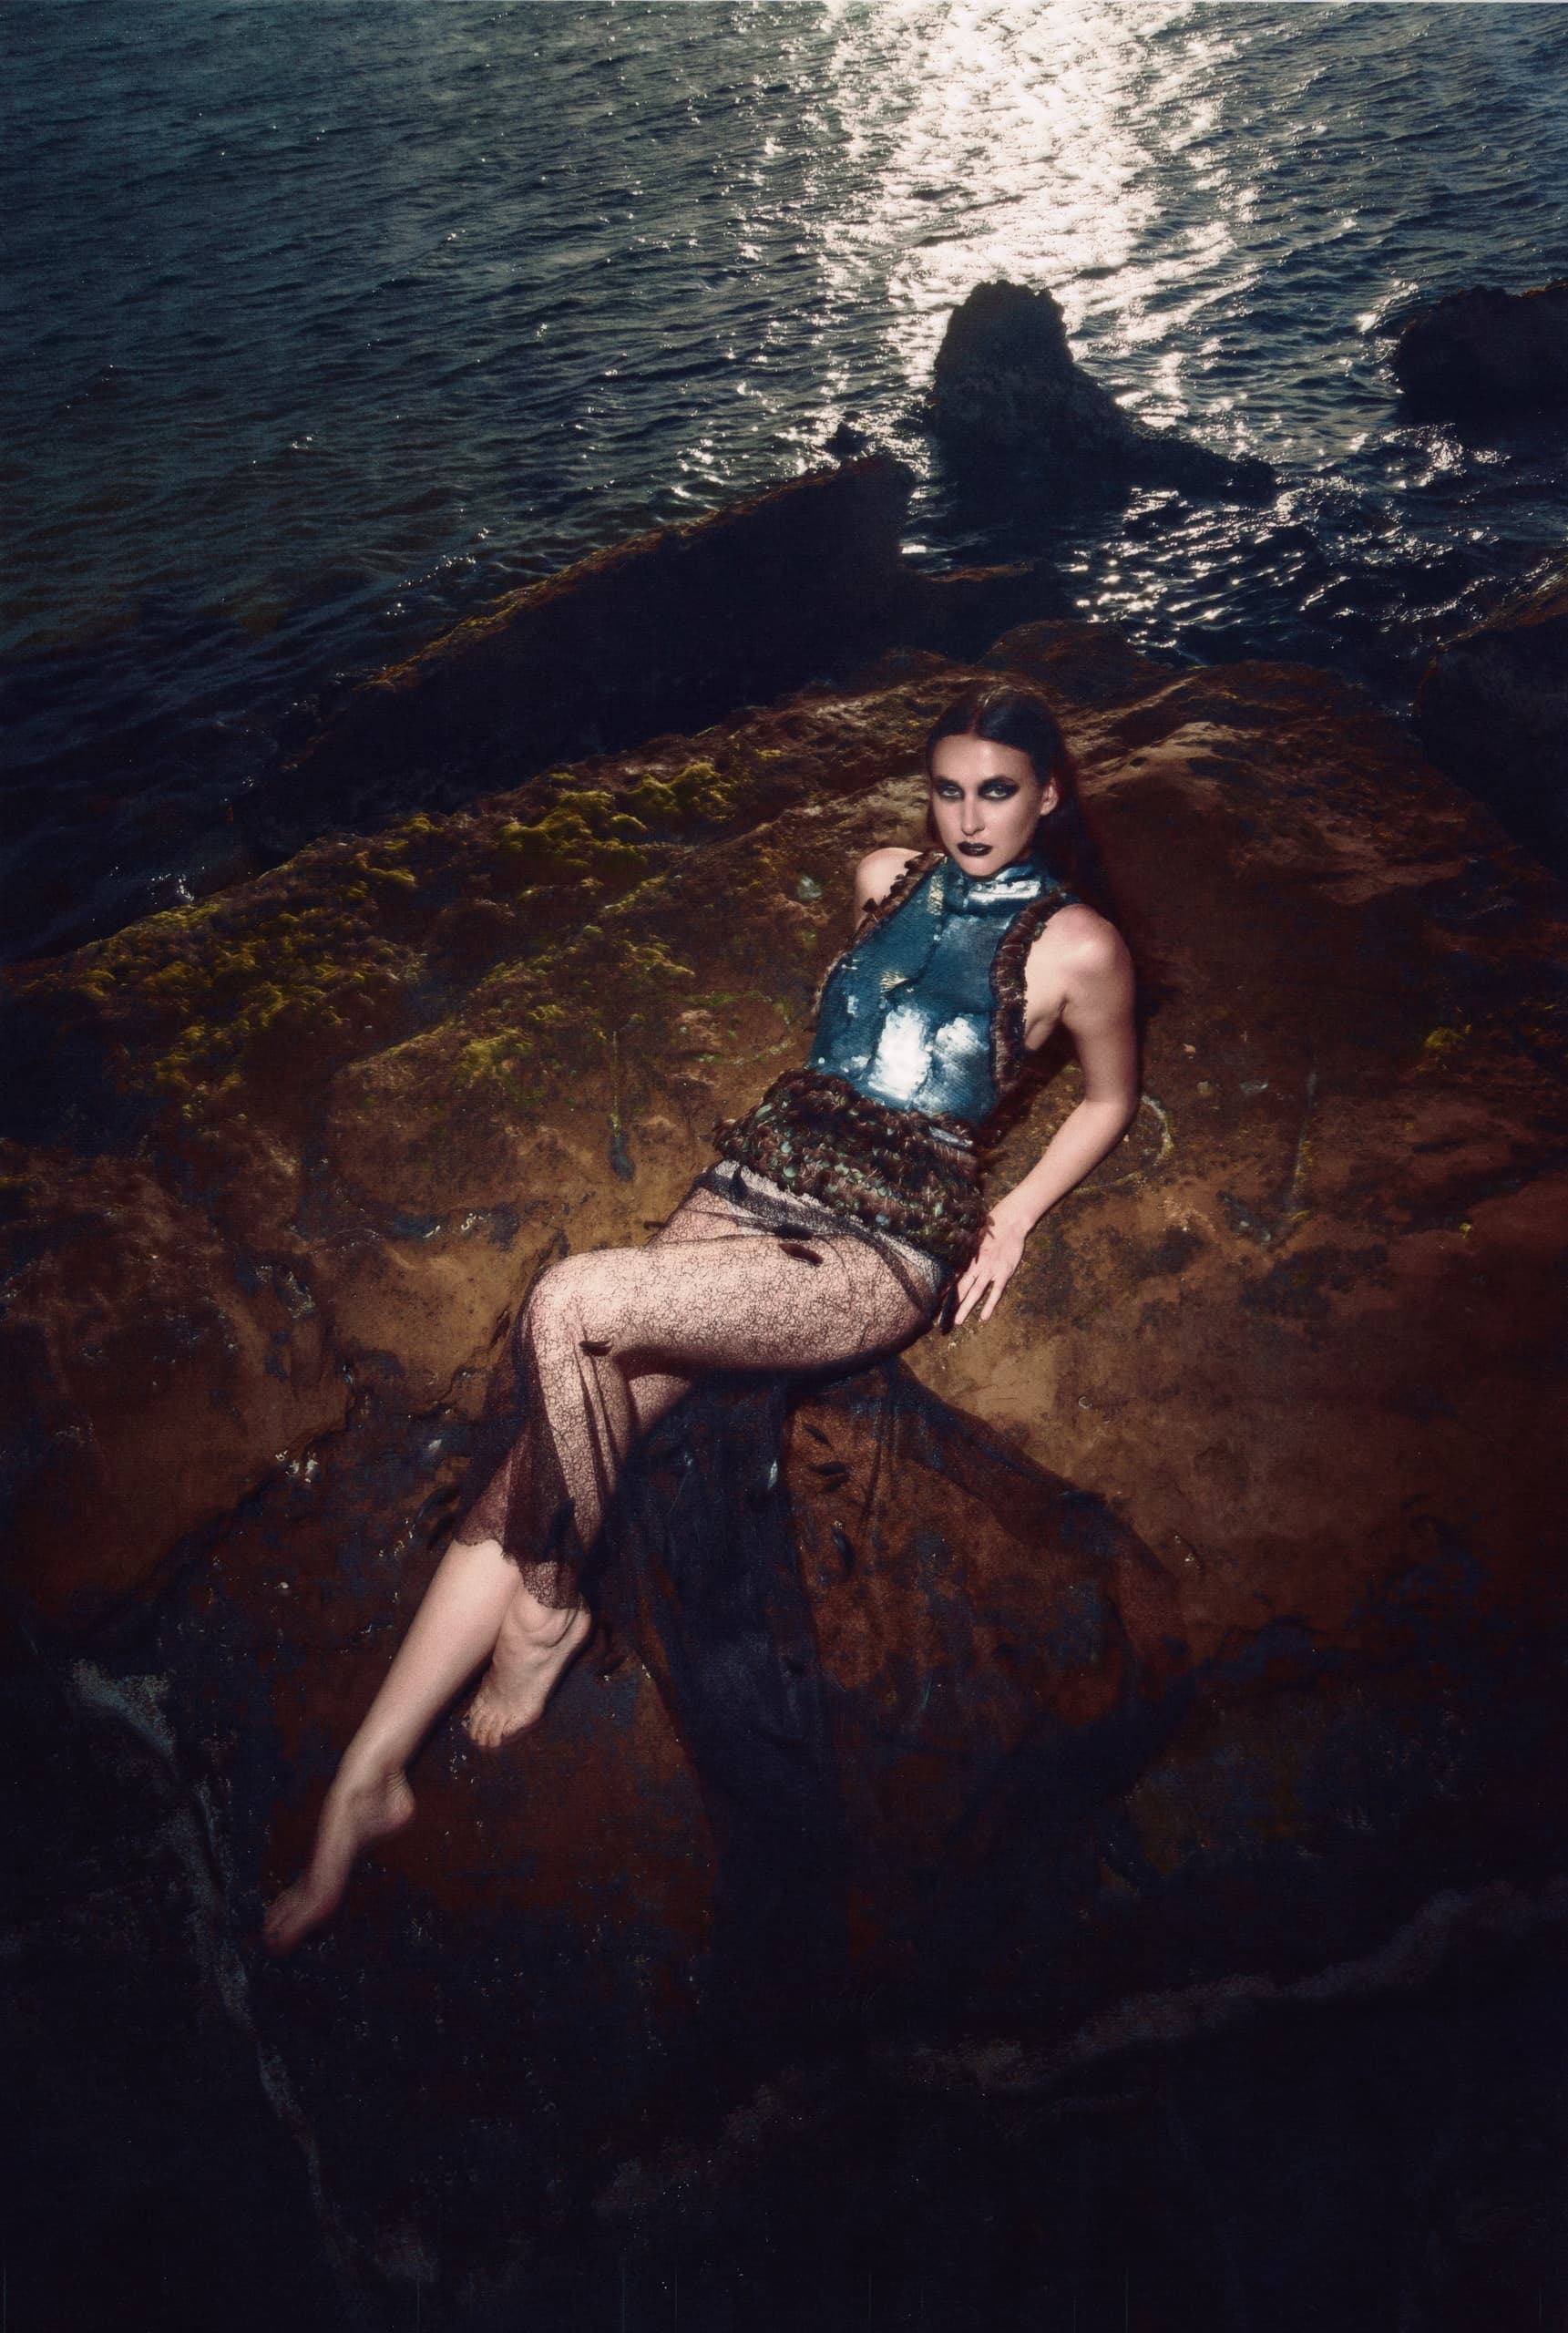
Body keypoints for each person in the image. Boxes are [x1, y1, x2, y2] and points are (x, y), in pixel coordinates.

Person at [262, 680, 1138, 1954]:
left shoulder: (1079, 947)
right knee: (550, 1443)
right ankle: (368, 1777)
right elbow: (845, 1046)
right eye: (948, 789)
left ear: (1047, 794)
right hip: (747, 1186)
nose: (967, 818)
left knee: (573, 1301)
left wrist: (1011, 1215)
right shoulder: (882, 877)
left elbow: (1107, 1097)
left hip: (875, 1250)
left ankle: (548, 1615)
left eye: (996, 792)